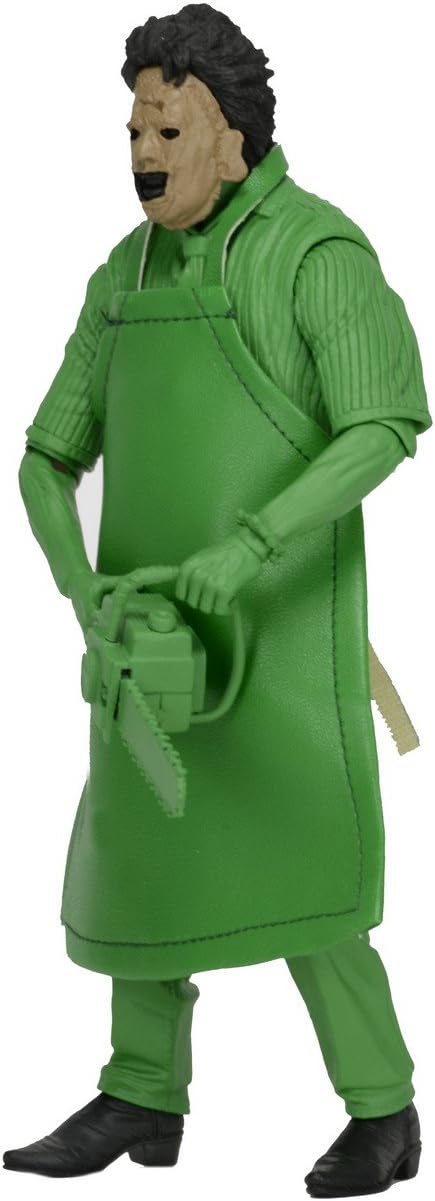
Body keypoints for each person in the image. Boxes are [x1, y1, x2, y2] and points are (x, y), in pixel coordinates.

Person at [4, 4, 431, 1194]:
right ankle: (143, 1091)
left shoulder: (316, 254)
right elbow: (45, 457)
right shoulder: (123, 273)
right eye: (134, 129)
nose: (144, 153)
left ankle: (384, 1111)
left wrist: (251, 548)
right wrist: (83, 594)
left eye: (169, 129)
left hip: (284, 636)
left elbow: (384, 423)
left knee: (305, 873)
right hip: (148, 642)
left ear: (233, 140)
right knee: (142, 847)